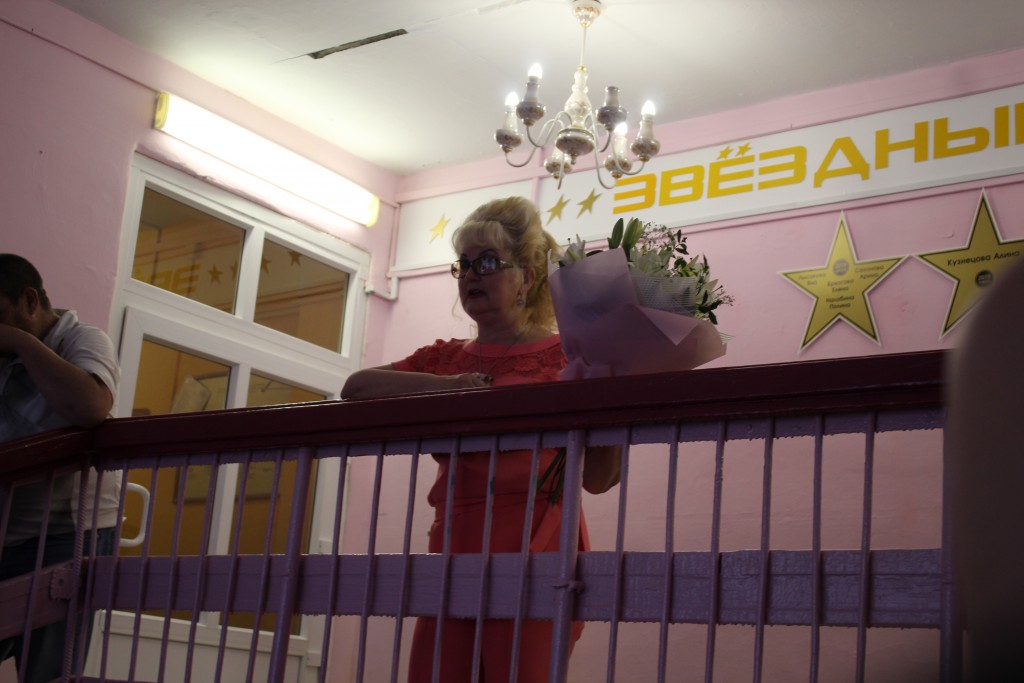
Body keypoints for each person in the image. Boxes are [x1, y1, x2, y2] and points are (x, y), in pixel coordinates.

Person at [342, 197, 620, 682]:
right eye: (464, 264)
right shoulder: (445, 359)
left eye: (487, 263)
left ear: (526, 278)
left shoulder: (571, 354)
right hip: (457, 535)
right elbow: (357, 388)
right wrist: (450, 387)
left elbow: (598, 480)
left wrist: (616, 386)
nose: (471, 275)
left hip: (538, 538)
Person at [0, 253, 121, 683]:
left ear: (29, 300)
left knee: (49, 671)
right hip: (9, 530)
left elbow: (90, 407)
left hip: (67, 533)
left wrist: (20, 342)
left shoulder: (82, 338)